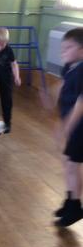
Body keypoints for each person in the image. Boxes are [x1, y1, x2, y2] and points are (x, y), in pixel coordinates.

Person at [49, 28, 83, 227]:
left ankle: (75, 207)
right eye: (63, 48)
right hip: (73, 124)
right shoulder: (70, 66)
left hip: (80, 126)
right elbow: (63, 84)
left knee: (72, 165)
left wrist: (67, 126)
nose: (63, 52)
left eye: (68, 48)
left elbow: (81, 102)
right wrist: (51, 96)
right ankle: (71, 201)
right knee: (68, 163)